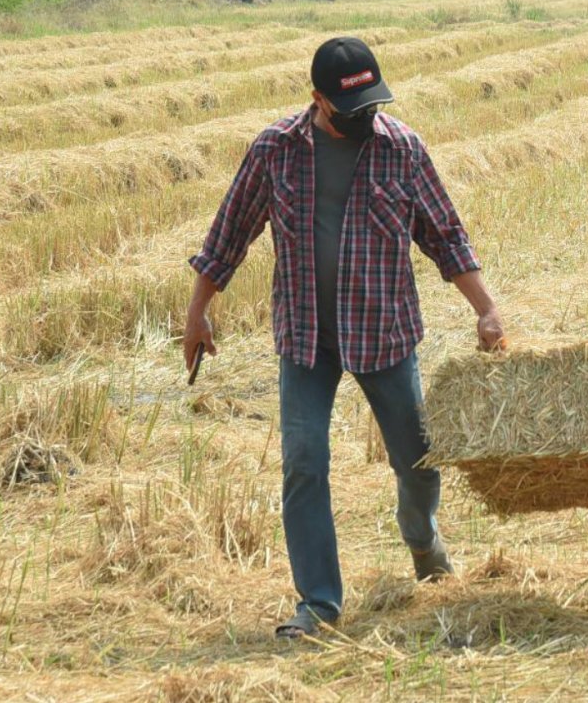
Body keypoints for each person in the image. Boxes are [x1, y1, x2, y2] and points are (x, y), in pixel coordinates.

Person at [184, 36, 506, 640]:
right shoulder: (275, 150)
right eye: (351, 110)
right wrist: (198, 311)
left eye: (372, 106)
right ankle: (320, 604)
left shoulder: (402, 149)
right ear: (318, 100)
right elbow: (228, 234)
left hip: (383, 333)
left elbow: (445, 235)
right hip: (307, 337)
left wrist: (486, 310)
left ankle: (422, 539)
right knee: (304, 462)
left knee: (418, 461)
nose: (366, 119)